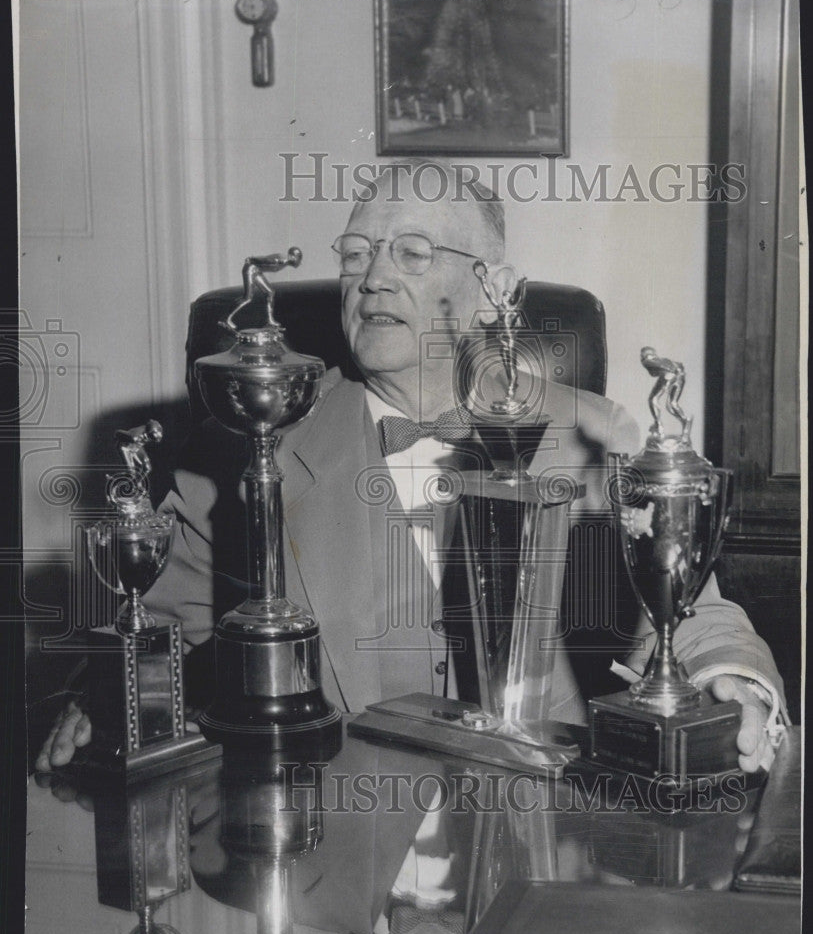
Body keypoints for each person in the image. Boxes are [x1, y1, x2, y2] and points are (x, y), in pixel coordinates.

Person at [37, 161, 786, 774]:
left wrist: (731, 677)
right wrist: (106, 697)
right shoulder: (243, 450)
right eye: (356, 255)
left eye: (414, 253)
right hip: (328, 852)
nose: (372, 279)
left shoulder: (591, 433)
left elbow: (687, 609)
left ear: (497, 290)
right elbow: (164, 623)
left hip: (543, 831)